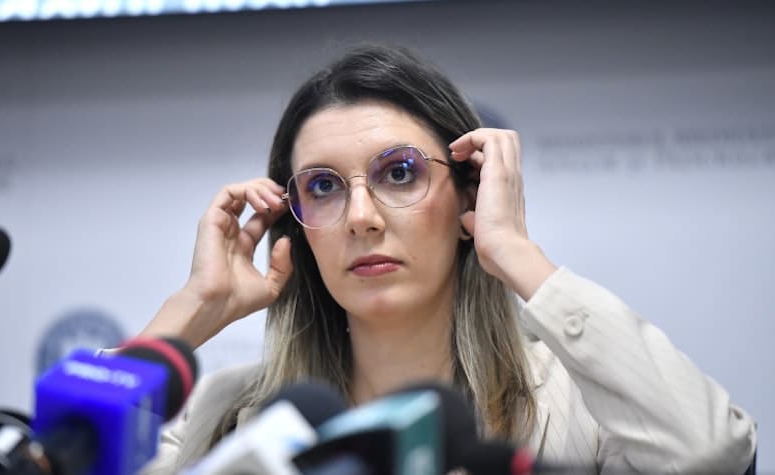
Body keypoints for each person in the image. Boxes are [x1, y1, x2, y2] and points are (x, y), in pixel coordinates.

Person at [137, 44, 756, 474]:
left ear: (470, 197)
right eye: (323, 186)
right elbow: (86, 454)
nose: (360, 217)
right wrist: (192, 309)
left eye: (399, 173)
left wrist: (517, 256)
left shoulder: (582, 408)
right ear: (295, 225)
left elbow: (711, 457)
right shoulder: (230, 415)